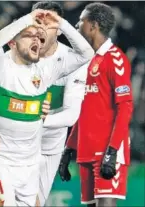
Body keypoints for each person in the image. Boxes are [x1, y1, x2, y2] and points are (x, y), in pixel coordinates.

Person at [0, 6, 93, 207]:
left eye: (39, 38)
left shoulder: (44, 70)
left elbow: (86, 54)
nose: (37, 41)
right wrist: (28, 19)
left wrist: (62, 25)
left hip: (30, 167)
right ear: (12, 41)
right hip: (0, 164)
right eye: (30, 36)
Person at [59, 3, 133, 207]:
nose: (77, 24)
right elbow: (85, 109)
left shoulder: (115, 59)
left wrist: (112, 151)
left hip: (107, 150)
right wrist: (69, 148)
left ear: (93, 26)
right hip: (86, 150)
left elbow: (125, 108)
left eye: (81, 21)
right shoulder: (85, 62)